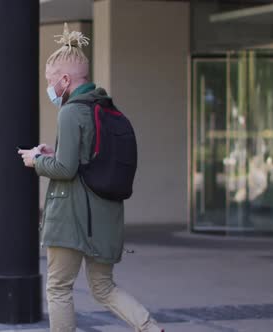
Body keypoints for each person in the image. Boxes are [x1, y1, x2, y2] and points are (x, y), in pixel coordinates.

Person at [18, 24, 164, 332]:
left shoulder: (70, 112)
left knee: (58, 288)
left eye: (50, 81)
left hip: (71, 220)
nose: (49, 88)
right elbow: (85, 160)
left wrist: (36, 161)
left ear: (66, 79)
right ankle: (151, 328)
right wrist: (51, 153)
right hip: (105, 216)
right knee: (103, 288)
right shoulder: (103, 107)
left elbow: (65, 170)